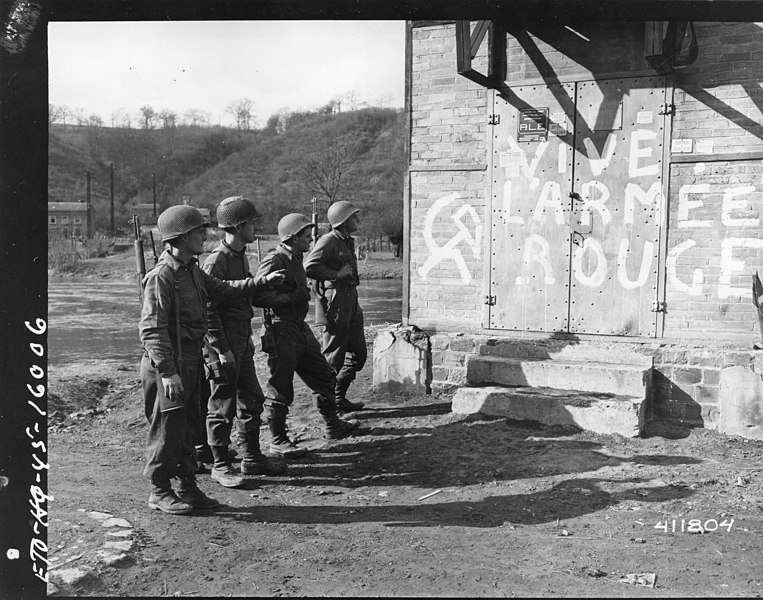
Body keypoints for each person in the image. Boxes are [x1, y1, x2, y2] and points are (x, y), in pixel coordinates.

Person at [139, 205, 285, 514]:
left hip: (190, 358)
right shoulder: (161, 277)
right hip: (169, 364)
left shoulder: (192, 269)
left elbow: (224, 289)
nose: (204, 236)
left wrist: (261, 282)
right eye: (197, 232)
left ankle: (187, 486)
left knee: (189, 428)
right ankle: (159, 490)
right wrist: (167, 371)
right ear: (180, 237)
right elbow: (151, 329)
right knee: (167, 430)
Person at [253, 213, 360, 458]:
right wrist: (288, 298)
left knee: (324, 375)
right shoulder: (274, 260)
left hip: (299, 328)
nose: (310, 241)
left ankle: (333, 425)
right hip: (280, 330)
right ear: (291, 237)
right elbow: (256, 296)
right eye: (304, 236)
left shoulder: (295, 258)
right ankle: (278, 440)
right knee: (280, 387)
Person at [200, 196, 286, 489]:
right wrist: (221, 348)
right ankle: (221, 464)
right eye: (251, 223)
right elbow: (208, 311)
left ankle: (251, 457)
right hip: (222, 345)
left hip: (241, 339)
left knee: (252, 399)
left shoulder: (240, 256)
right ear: (237, 226)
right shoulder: (216, 262)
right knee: (222, 404)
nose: (255, 228)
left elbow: (243, 293)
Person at [304, 201, 367, 413]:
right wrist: (335, 275)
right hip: (336, 301)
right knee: (333, 358)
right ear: (342, 221)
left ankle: (338, 397)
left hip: (351, 299)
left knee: (358, 355)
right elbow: (309, 266)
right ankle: (327, 407)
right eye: (353, 217)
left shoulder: (347, 241)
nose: (357, 220)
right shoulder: (328, 241)